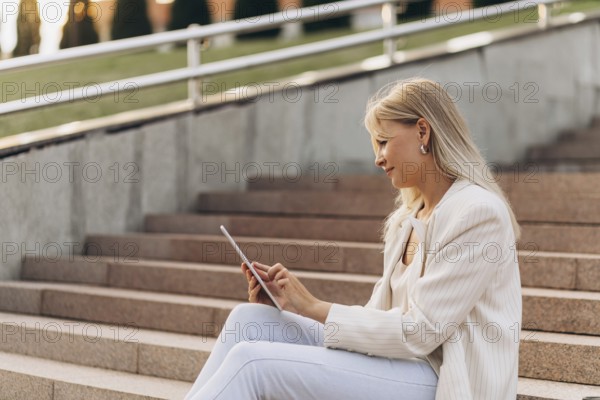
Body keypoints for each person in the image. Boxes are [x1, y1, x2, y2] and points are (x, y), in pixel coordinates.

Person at [184, 77, 522, 400]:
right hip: (399, 368)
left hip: (445, 381)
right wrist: (293, 309)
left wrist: (314, 306)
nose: (377, 158)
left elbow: (421, 332)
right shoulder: (407, 219)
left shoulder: (477, 212)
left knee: (253, 362)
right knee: (249, 321)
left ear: (423, 130)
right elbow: (379, 318)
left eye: (384, 142)